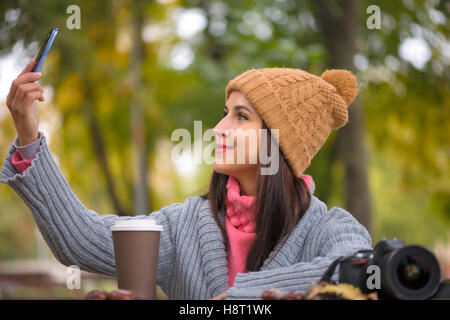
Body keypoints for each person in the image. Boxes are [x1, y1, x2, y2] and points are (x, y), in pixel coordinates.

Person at [1, 59, 372, 300]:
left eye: (241, 117)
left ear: (278, 144)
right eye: (225, 113)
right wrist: (29, 136)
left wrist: (238, 297)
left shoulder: (330, 228)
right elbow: (83, 241)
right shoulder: (183, 226)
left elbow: (359, 271)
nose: (219, 128)